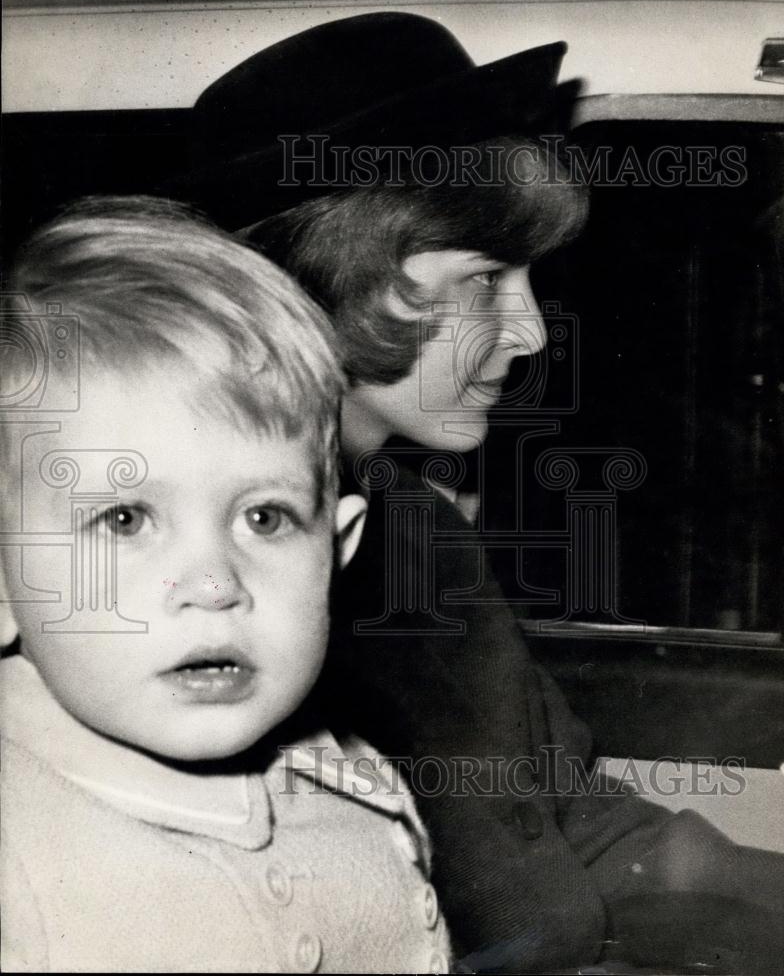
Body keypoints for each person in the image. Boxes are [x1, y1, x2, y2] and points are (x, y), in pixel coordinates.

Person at [185, 13, 784, 975]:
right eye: (482, 280)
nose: (529, 335)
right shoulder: (206, 589)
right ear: (326, 280)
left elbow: (573, 823)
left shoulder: (414, 531)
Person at [0, 196, 453, 973]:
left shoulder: (359, 783)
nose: (214, 584)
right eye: (124, 520)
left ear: (336, 552)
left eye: (266, 518)